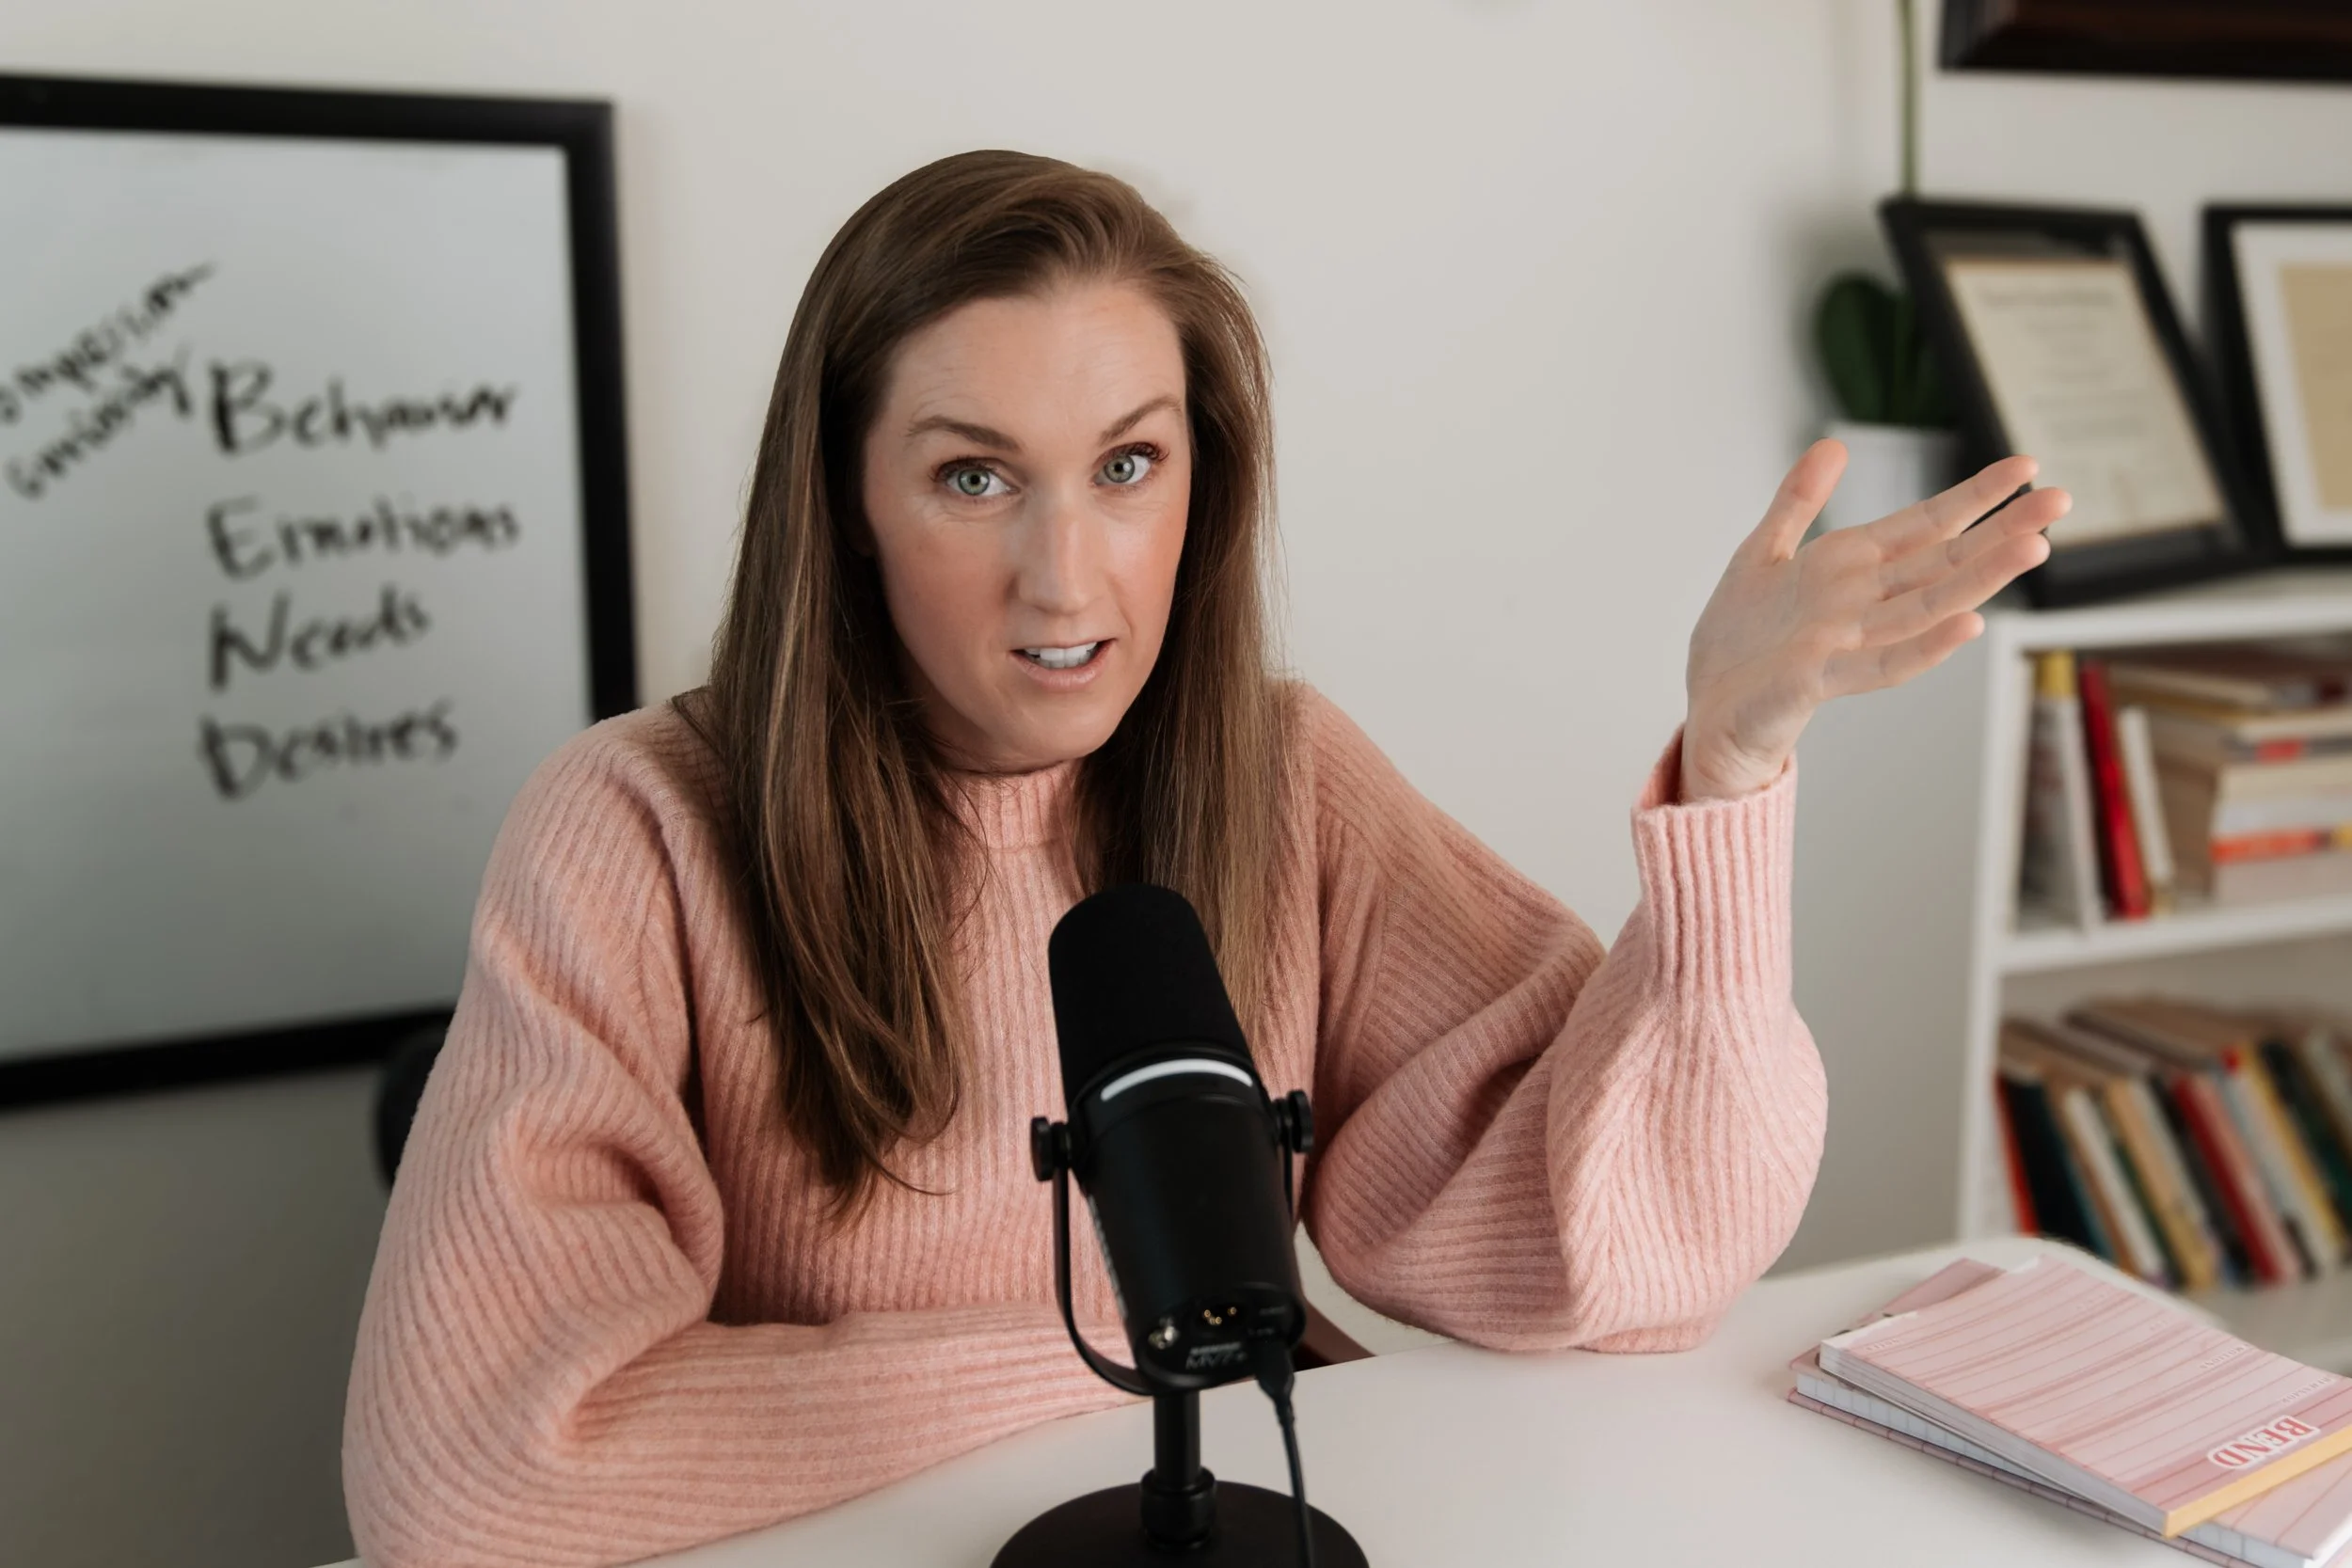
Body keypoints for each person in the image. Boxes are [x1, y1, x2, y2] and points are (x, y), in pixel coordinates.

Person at [342, 150, 2064, 1568]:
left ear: (1203, 482)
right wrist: (1147, 1356)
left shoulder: (1283, 778)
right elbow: (474, 1474)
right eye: (973, 478)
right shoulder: (634, 830)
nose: (1068, 579)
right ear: (845, 505)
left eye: (1128, 465)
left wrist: (1734, 769)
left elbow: (1634, 1255)